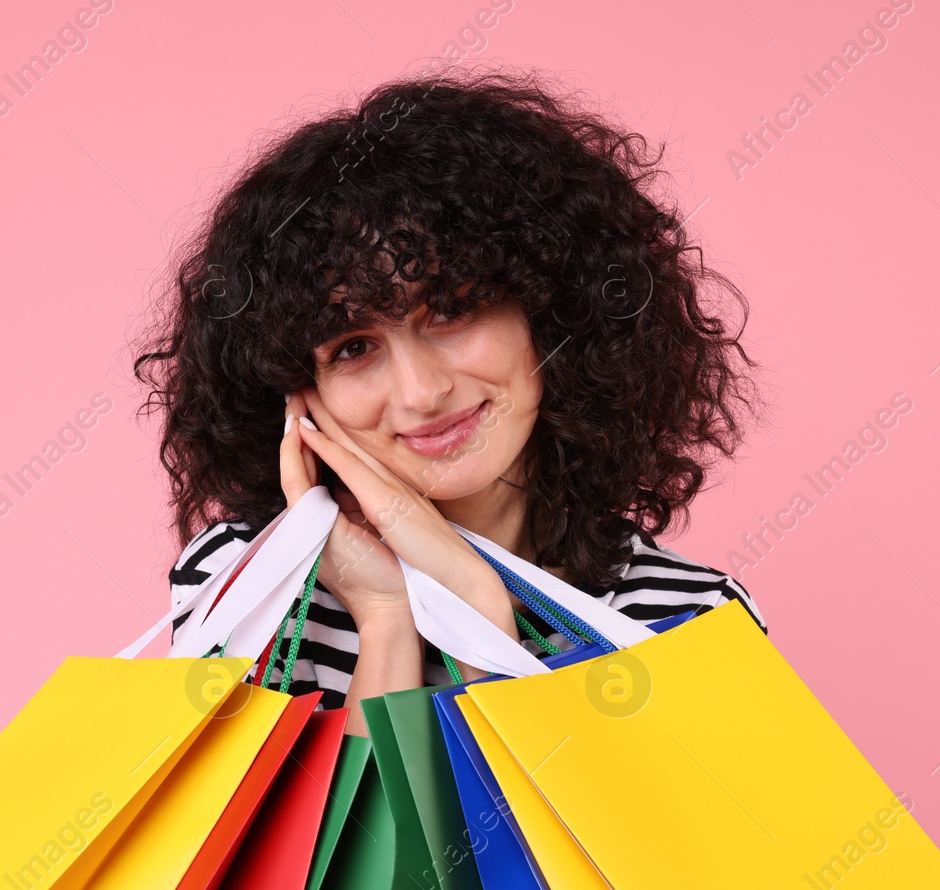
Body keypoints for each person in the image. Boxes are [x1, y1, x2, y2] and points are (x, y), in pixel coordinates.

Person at [135, 69, 765, 736]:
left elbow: (586, 845)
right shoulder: (249, 586)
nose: (421, 391)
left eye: (452, 310)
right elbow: (335, 846)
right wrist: (384, 620)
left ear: (553, 314)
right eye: (351, 347)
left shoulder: (690, 617)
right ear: (299, 394)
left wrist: (478, 622)